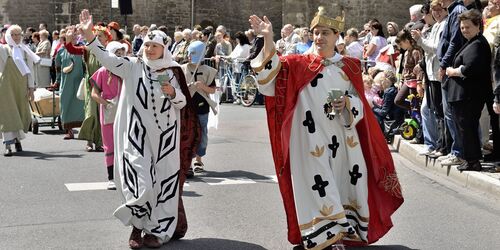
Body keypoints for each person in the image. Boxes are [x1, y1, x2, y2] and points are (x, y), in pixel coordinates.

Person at [249, 6, 403, 249]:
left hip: (344, 140)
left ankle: (343, 233)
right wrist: (267, 37)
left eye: (325, 33)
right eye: (316, 33)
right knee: (318, 184)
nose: (319, 37)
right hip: (309, 140)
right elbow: (269, 76)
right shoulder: (298, 64)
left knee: (345, 182)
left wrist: (347, 103)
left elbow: (361, 106)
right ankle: (325, 236)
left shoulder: (350, 66)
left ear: (336, 37)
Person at [79, 9, 200, 249]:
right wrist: (90, 38)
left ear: (164, 49)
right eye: (146, 45)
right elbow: (107, 59)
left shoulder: (172, 71)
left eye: (154, 46)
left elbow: (183, 104)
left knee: (164, 184)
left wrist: (173, 93)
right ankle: (137, 226)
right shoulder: (132, 66)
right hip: (138, 136)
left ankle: (157, 232)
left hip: (166, 137)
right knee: (140, 182)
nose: (149, 49)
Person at [445, 9, 493, 171]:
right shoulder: (471, 42)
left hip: (469, 95)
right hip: (463, 95)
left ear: (478, 26)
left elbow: (470, 68)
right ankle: (470, 159)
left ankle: (473, 161)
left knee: (467, 128)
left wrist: (453, 71)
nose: (464, 30)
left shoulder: (478, 43)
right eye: (462, 27)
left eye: (468, 27)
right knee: (465, 128)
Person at [89, 41, 127, 190]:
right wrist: (106, 103)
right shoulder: (103, 72)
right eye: (117, 53)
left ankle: (125, 175)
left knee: (126, 143)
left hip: (125, 109)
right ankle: (111, 177)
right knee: (110, 144)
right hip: (109, 110)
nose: (120, 56)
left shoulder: (127, 70)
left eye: (122, 53)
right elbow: (94, 93)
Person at [0, 25, 39, 156]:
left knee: (20, 113)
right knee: (7, 114)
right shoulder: (3, 49)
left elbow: (30, 71)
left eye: (18, 34)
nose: (16, 37)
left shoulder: (24, 50)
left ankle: (17, 140)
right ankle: (8, 145)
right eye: (13, 34)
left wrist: (31, 89)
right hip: (6, 87)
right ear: (8, 36)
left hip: (21, 87)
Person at [437, 0, 467, 166]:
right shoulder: (453, 11)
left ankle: (459, 152)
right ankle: (457, 151)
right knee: (450, 112)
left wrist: (443, 64)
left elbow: (454, 42)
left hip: (451, 69)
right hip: (449, 67)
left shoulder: (456, 11)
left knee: (453, 113)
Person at [181, 41, 218, 176]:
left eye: (193, 54)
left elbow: (213, 90)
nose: (190, 56)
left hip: (202, 107)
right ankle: (188, 163)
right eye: (189, 54)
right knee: (187, 135)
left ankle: (198, 160)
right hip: (186, 106)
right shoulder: (182, 69)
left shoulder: (208, 71)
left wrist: (202, 87)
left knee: (202, 134)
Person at [55, 28, 85, 140]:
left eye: (75, 35)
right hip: (66, 82)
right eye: (71, 35)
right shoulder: (61, 51)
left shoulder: (82, 49)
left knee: (80, 105)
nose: (73, 37)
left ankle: (83, 129)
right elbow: (57, 68)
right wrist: (57, 81)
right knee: (65, 104)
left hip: (79, 80)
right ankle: (68, 130)